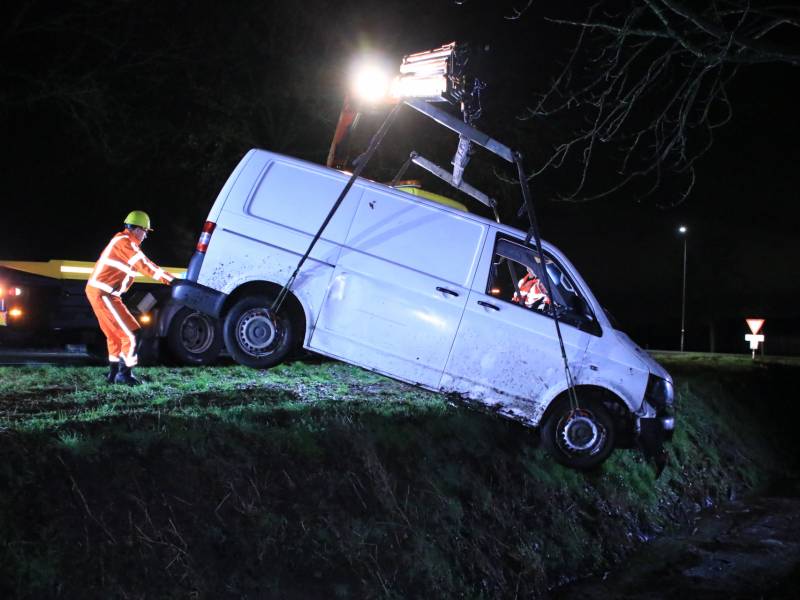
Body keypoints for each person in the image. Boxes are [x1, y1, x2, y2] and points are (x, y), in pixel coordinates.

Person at [86, 211, 174, 385]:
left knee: (115, 335)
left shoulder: (123, 242)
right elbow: (145, 264)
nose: (146, 235)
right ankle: (124, 375)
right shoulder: (126, 243)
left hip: (105, 294)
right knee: (132, 333)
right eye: (146, 231)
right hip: (104, 294)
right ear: (137, 229)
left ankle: (113, 374)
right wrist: (171, 280)